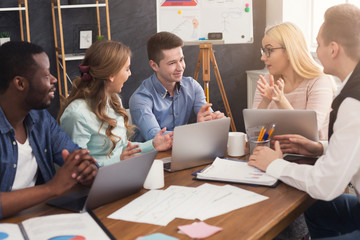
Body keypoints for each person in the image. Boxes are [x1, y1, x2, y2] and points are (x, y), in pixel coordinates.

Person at [249, 4, 360, 239]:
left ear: (333, 49)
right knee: (313, 208)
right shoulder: (351, 93)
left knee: (315, 200)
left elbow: (325, 185)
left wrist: (274, 165)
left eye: (317, 44)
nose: (314, 51)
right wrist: (320, 147)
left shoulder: (353, 103)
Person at [0, 41, 98, 219]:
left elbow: (76, 155)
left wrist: (88, 170)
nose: (54, 79)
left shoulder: (42, 120)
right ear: (20, 83)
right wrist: (51, 188)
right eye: (46, 75)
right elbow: (54, 188)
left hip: (39, 219)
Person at [58, 40, 172, 167]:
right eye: (127, 69)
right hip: (94, 184)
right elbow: (77, 167)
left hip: (119, 175)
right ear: (111, 75)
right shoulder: (76, 114)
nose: (130, 73)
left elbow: (122, 149)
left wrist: (154, 144)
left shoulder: (114, 100)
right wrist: (119, 161)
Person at [129, 31, 224, 142]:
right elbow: (156, 138)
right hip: (153, 157)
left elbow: (207, 118)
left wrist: (214, 120)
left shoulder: (192, 87)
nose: (180, 67)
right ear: (154, 65)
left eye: (181, 60)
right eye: (172, 63)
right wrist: (198, 129)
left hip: (184, 150)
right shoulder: (140, 98)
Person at [253, 22, 335, 140]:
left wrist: (281, 101)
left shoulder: (318, 82)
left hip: (310, 156)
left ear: (289, 51)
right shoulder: (267, 80)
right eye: (263, 51)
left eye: (269, 50)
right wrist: (265, 101)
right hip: (275, 150)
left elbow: (307, 133)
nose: (263, 57)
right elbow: (254, 132)